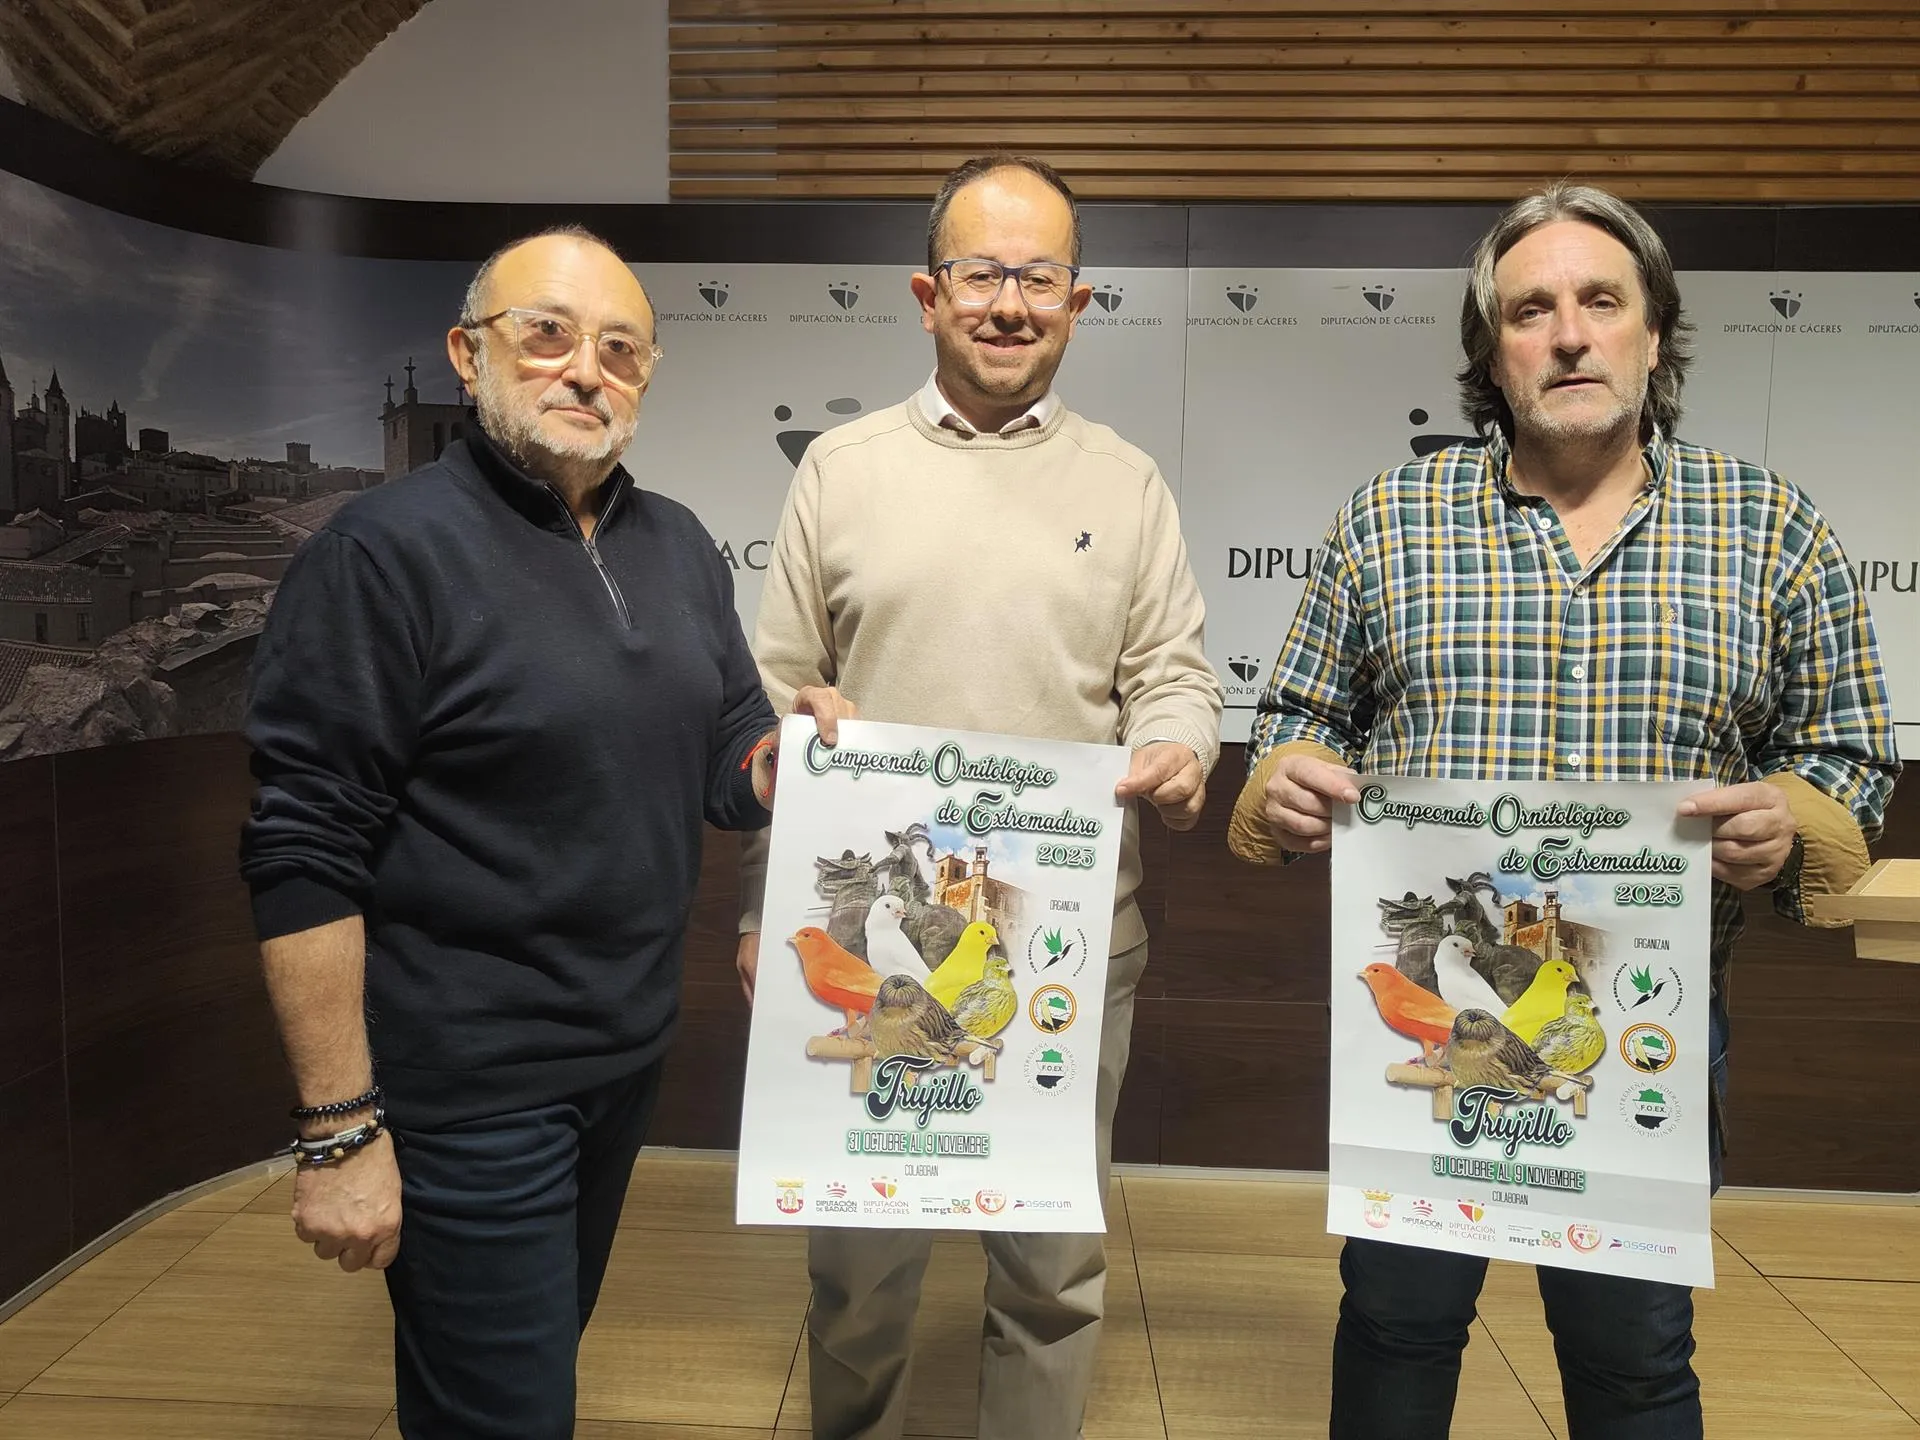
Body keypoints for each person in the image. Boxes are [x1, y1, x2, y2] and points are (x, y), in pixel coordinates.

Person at [1228, 182, 1899, 1440]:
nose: (1571, 334)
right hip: (1430, 1041)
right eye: (1532, 310)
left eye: (1603, 301)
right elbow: (1291, 728)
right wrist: (1294, 781)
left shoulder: (1771, 529)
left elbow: (1850, 756)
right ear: (1493, 350)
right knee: (1395, 1327)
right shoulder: (1390, 521)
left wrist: (1786, 821)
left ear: (1656, 333)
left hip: (1648, 1030)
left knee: (1633, 1356)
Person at [238, 226, 849, 1440]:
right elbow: (301, 849)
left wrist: (785, 754)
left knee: (499, 1389)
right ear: (469, 356)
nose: (587, 370)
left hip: (619, 1060)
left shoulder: (674, 543)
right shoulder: (382, 556)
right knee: (510, 1414)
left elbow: (728, 749)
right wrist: (338, 1130)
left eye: (620, 349)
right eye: (549, 335)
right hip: (470, 1088)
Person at [736, 154, 1224, 1440]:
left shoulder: (1125, 484)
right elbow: (775, 713)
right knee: (857, 1266)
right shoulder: (839, 470)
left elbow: (1175, 676)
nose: (1010, 303)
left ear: (1078, 300)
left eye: (1040, 277)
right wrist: (757, 907)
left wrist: (1180, 744)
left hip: (1062, 942)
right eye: (982, 274)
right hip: (871, 941)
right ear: (928, 291)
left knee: (1052, 1264)